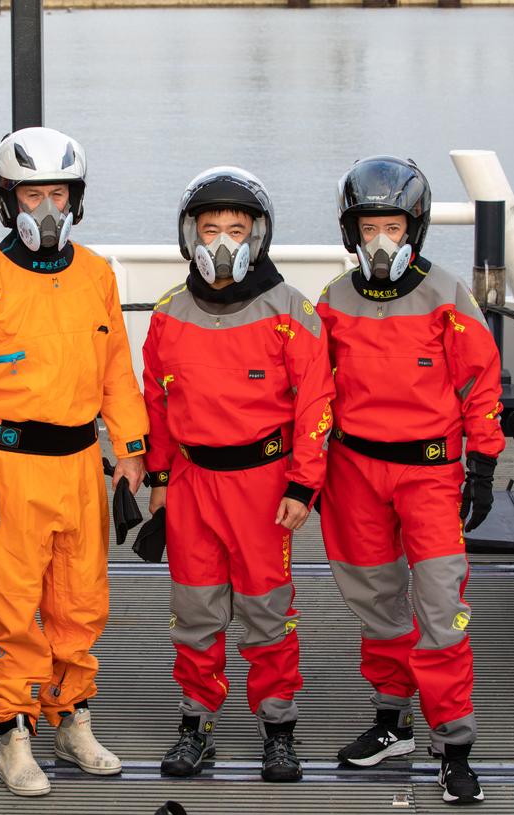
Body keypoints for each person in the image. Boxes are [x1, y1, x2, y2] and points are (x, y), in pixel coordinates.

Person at [0, 126, 149, 798]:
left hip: (82, 462)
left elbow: (116, 369)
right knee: (17, 605)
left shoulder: (97, 275)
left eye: (58, 192)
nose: (46, 207)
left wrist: (131, 448)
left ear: (75, 198)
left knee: (81, 600)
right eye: (33, 193)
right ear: (7, 199)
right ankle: (15, 732)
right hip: (12, 469)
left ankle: (72, 718)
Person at [316, 155, 504, 805]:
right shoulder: (334, 302)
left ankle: (454, 745)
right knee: (377, 600)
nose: (380, 241)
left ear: (413, 228)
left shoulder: (447, 296)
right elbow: (314, 394)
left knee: (440, 609)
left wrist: (481, 462)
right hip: (353, 472)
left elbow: (480, 381)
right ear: (352, 233)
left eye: (391, 226)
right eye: (368, 229)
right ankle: (391, 720)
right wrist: (306, 472)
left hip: (429, 473)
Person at [141, 167, 335, 783]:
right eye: (209, 228)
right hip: (195, 483)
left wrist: (304, 484)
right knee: (194, 608)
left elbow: (316, 403)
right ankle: (196, 724)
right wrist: (159, 479)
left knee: (266, 609)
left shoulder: (291, 310)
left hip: (264, 484)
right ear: (188, 235)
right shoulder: (170, 312)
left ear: (258, 237)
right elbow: (157, 401)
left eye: (235, 229)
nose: (221, 241)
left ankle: (278, 728)